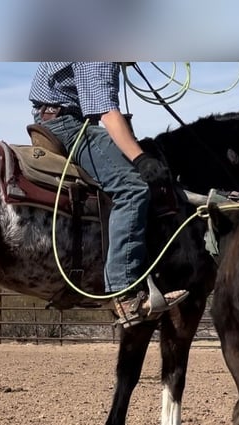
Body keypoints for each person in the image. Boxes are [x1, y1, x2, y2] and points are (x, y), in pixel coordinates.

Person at [28, 62, 188, 328]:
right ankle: (123, 292)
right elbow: (106, 112)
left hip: (59, 117)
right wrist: (140, 159)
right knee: (132, 189)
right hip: (67, 125)